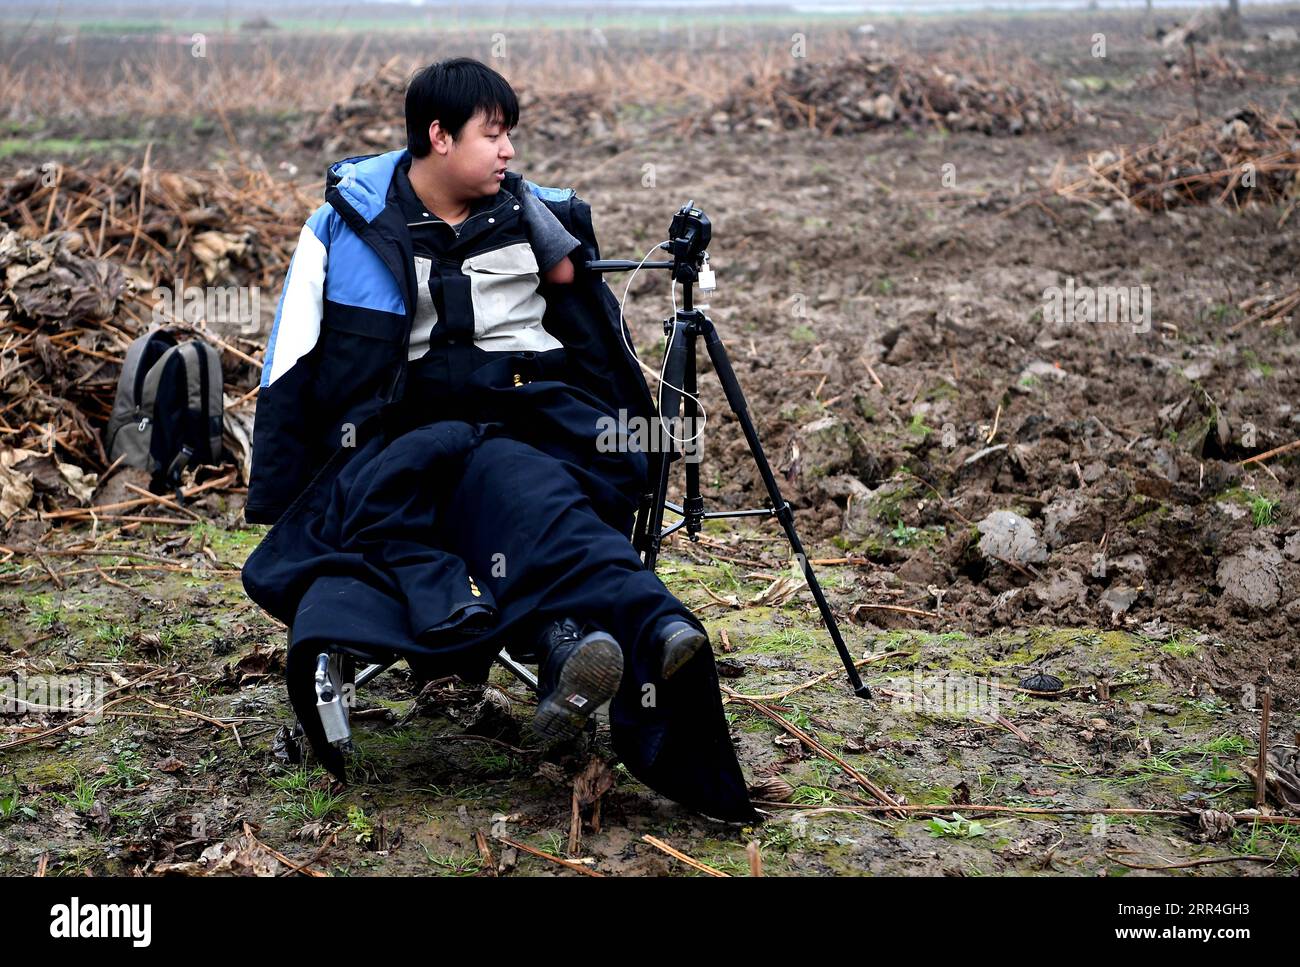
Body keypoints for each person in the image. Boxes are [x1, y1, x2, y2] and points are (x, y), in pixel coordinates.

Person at [242, 58, 754, 821]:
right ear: (439, 137)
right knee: (471, 500)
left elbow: (599, 349)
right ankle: (603, 634)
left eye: (511, 133)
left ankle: (652, 635)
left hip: (522, 422)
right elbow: (290, 363)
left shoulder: (540, 221)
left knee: (531, 493)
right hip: (403, 438)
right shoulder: (343, 227)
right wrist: (291, 492)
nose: (510, 150)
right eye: (494, 134)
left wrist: (629, 445)